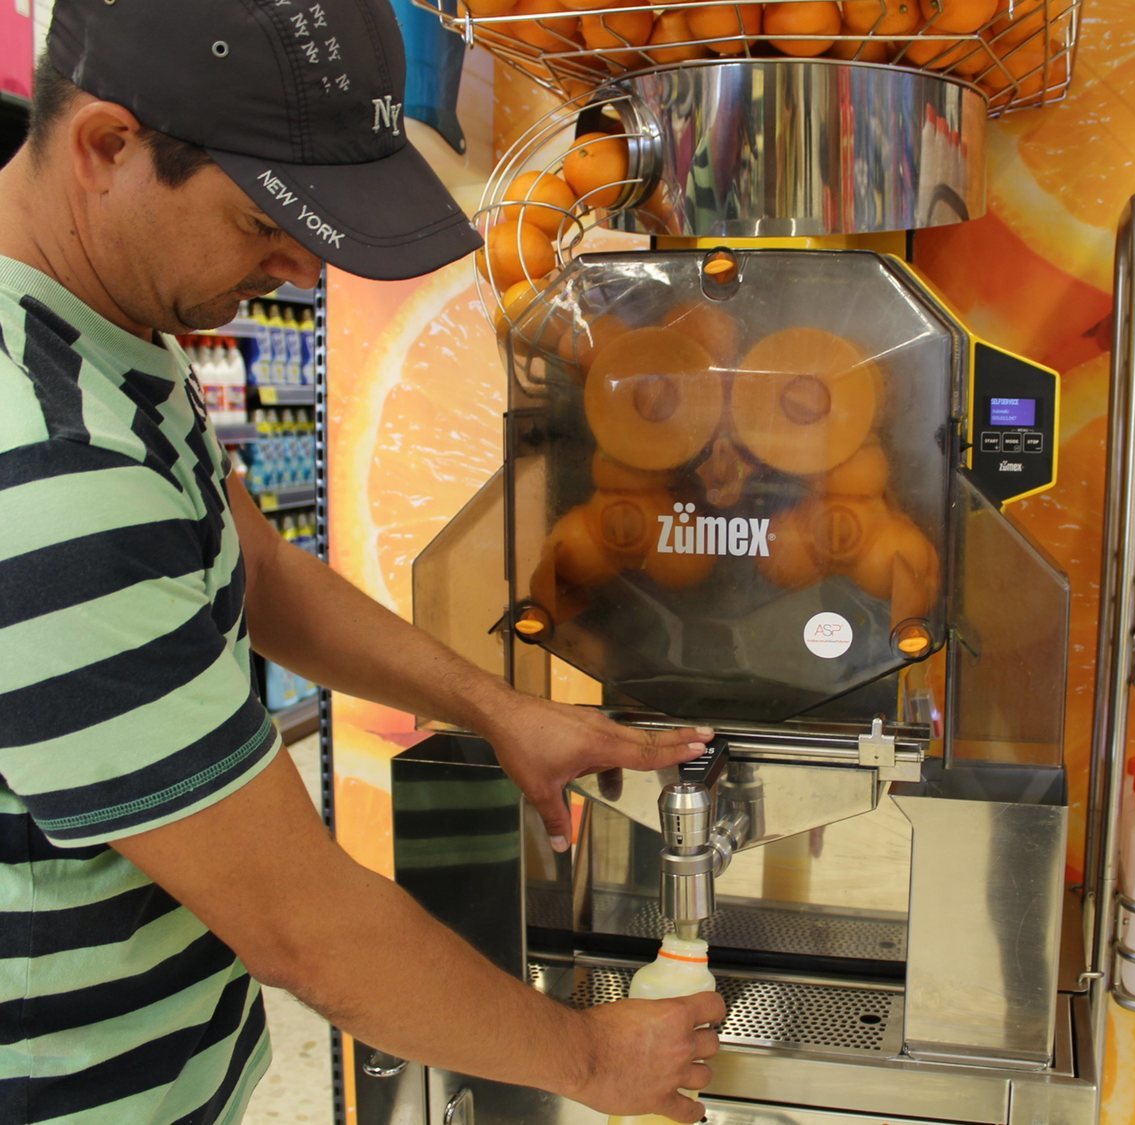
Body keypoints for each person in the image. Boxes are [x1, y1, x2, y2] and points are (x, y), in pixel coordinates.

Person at [0, 2, 725, 1122]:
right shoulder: (47, 461)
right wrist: (591, 1062)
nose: (298, 268)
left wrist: (495, 709)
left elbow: (250, 561)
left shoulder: (101, 323)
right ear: (107, 147)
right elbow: (306, 933)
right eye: (261, 224)